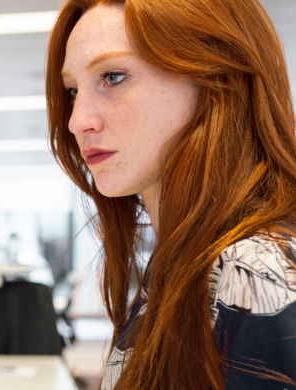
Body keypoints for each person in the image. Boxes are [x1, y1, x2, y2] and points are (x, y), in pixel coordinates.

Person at [46, 0, 296, 388]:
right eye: (73, 90)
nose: (78, 121)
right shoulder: (184, 261)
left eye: (112, 77)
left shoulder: (256, 269)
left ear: (218, 75)